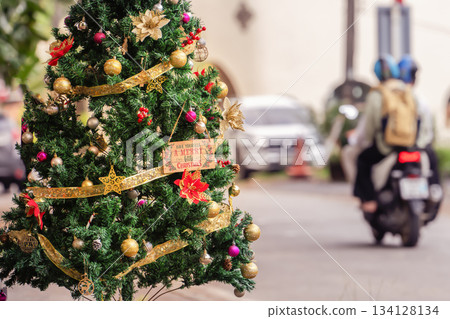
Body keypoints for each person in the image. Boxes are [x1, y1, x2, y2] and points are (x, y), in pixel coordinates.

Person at [352, 54, 429, 213]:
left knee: (362, 160)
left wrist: (368, 140)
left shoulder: (376, 94)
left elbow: (370, 128)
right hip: (410, 145)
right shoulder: (408, 92)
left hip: (386, 147)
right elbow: (419, 118)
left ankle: (369, 200)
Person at [398, 55, 440, 187]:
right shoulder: (421, 100)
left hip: (399, 147)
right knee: (434, 179)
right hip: (421, 147)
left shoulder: (391, 97)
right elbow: (429, 131)